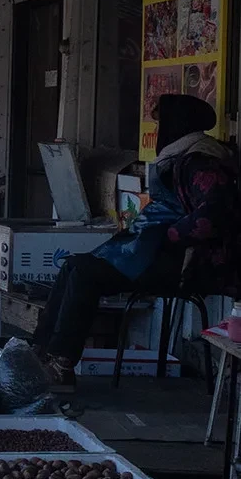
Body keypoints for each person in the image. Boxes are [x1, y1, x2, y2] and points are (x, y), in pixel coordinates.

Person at [33, 94, 241, 386]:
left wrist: (171, 235)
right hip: (156, 252)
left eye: (160, 123)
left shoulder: (200, 160)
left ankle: (61, 364)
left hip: (185, 264)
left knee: (84, 274)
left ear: (176, 124)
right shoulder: (183, 155)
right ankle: (39, 353)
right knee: (72, 266)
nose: (157, 131)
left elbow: (214, 214)